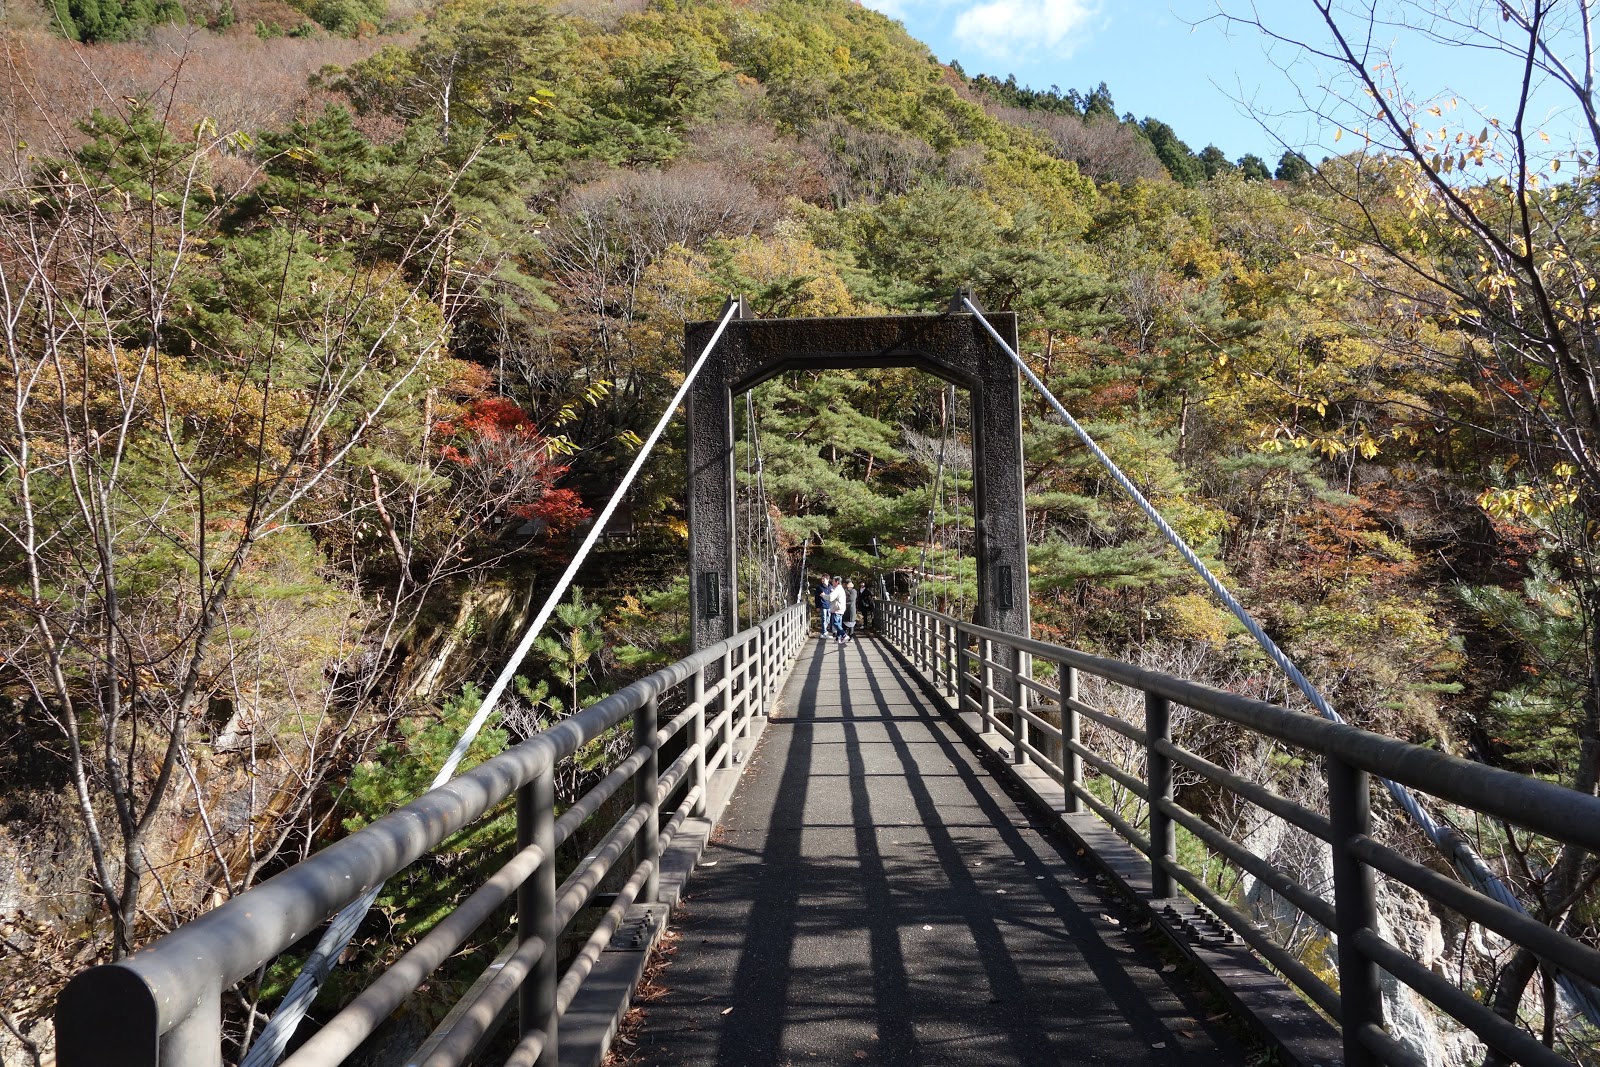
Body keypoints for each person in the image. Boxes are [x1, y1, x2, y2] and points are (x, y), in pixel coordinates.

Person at [839, 579, 858, 645]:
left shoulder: (853, 591)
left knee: (851, 623)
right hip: (844, 609)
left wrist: (844, 601)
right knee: (844, 622)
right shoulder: (843, 591)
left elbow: (851, 599)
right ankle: (844, 636)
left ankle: (851, 637)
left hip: (851, 608)